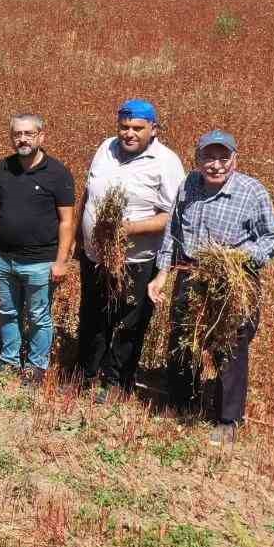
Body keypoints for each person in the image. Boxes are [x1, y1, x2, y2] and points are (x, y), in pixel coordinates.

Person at [148, 131, 274, 446]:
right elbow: (173, 232)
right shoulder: (189, 186)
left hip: (232, 277)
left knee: (230, 346)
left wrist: (239, 258)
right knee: (184, 339)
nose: (216, 165)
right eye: (209, 157)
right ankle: (182, 403)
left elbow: (273, 238)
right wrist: (161, 274)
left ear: (236, 158)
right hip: (191, 273)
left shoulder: (252, 191)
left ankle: (227, 419)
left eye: (223, 157)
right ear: (197, 159)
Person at [76, 100, 186, 399]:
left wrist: (129, 228)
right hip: (95, 255)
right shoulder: (105, 148)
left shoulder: (166, 162)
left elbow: (173, 217)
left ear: (154, 129)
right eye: (124, 127)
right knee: (93, 316)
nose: (129, 134)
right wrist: (79, 237)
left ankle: (115, 382)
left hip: (136, 259)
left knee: (129, 322)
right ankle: (85, 374)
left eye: (138, 128)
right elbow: (87, 194)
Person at [0, 114, 76, 386]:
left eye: (28, 134)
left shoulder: (58, 173)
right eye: (17, 134)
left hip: (40, 262)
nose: (22, 139)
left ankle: (37, 367)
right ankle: (9, 360)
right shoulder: (4, 167)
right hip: (4, 257)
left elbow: (67, 220)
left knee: (39, 316)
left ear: (41, 137)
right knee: (8, 311)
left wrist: (61, 261)